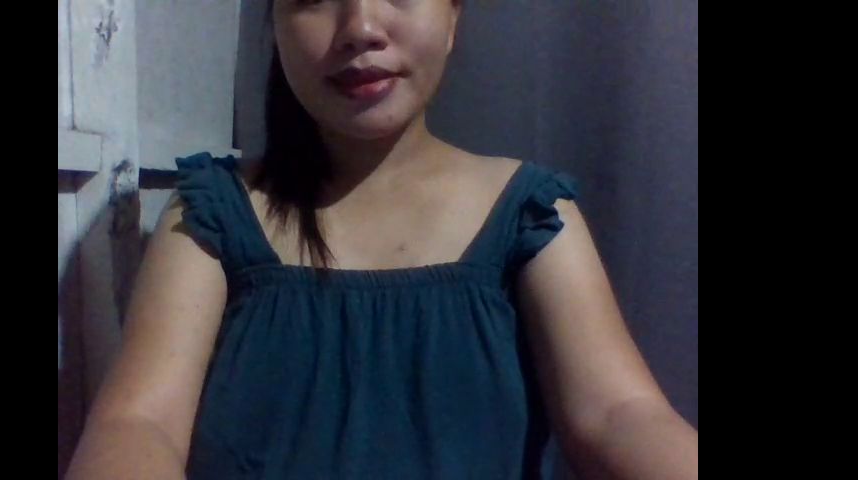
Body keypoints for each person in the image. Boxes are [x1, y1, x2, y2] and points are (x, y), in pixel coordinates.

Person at [66, 1, 698, 478]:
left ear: (453, 16)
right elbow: (139, 423)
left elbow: (619, 414)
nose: (361, 27)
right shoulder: (212, 211)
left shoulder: (532, 213)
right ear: (274, 27)